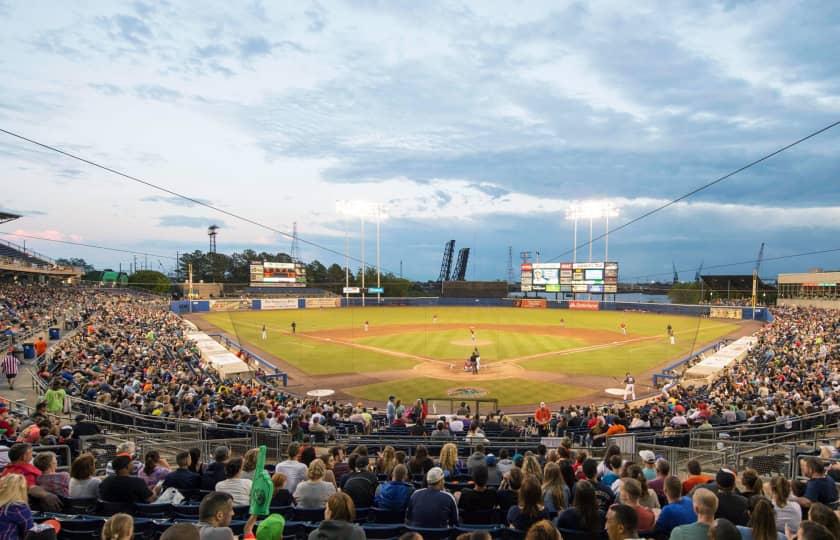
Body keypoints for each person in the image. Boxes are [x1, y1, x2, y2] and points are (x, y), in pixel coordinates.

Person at [1, 443, 61, 511]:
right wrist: (46, 495)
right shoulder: (26, 472)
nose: (32, 455)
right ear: (24, 456)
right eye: (31, 453)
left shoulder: (6, 469)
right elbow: (31, 488)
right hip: (25, 506)